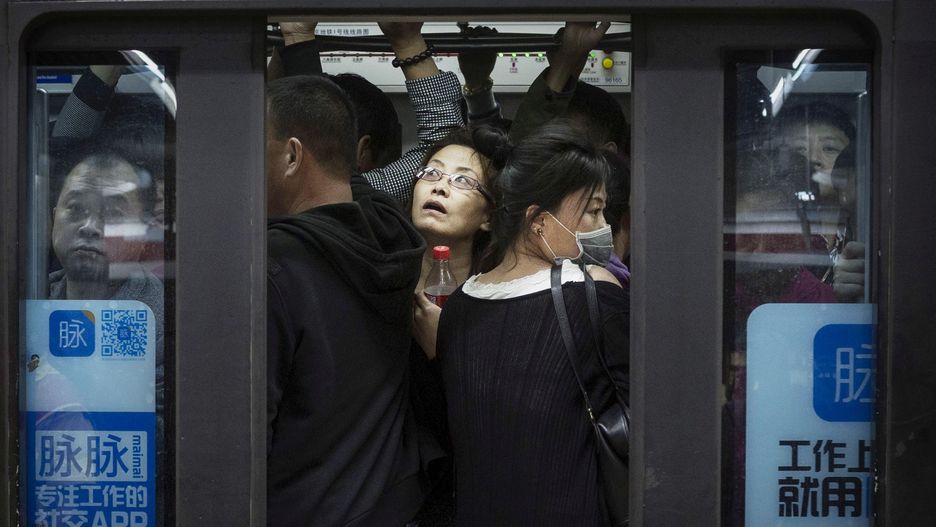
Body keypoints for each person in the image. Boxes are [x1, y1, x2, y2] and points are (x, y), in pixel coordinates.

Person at [436, 122, 629, 526]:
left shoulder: (458, 306)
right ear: (539, 221)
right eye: (593, 210)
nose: (602, 228)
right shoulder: (592, 292)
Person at [265, 74, 429, 527]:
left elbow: (246, 431)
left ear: (292, 155)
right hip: (387, 506)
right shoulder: (391, 232)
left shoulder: (274, 266)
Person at [272, 21, 465, 204]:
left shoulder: (262, 184)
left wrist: (292, 40)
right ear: (363, 150)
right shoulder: (357, 198)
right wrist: (407, 41)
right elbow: (441, 147)